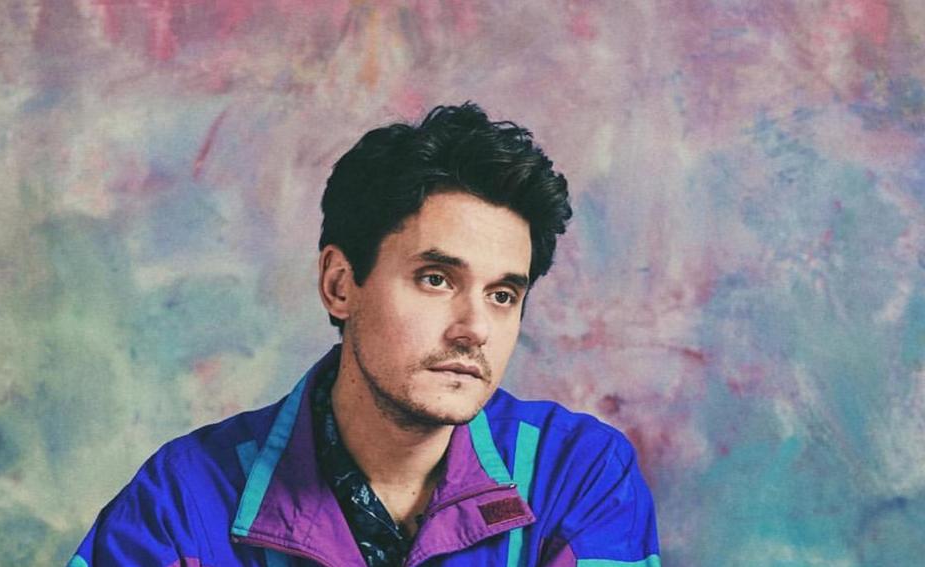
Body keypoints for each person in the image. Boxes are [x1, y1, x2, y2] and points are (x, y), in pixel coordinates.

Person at [69, 103, 660, 567]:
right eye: (435, 279)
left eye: (502, 295)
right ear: (339, 285)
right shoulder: (182, 500)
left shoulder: (577, 474)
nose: (475, 329)